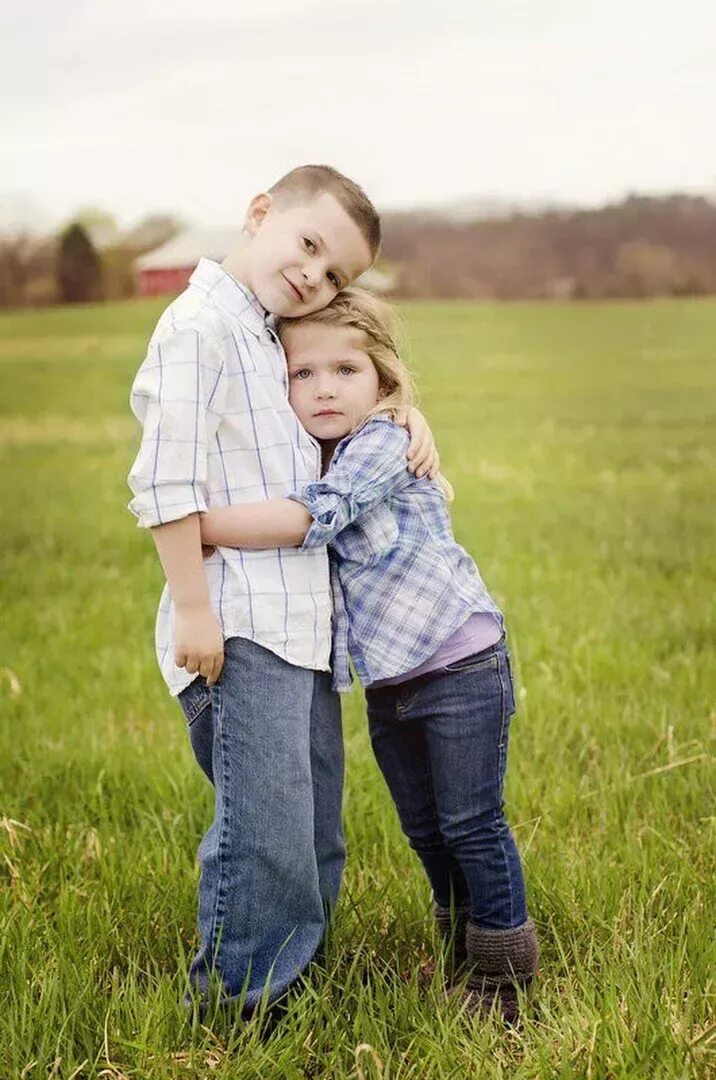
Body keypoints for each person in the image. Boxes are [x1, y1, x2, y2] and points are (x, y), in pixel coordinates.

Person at [126, 166, 438, 1017]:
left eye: (336, 272)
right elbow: (165, 483)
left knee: (313, 825)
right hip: (238, 621)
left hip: (304, 626)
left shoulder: (271, 334)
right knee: (264, 830)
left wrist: (406, 414)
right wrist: (194, 608)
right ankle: (239, 1002)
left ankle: (303, 968)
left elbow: (332, 411)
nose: (314, 275)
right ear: (259, 213)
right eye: (308, 244)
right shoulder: (198, 328)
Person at [198, 287, 539, 1023]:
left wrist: (194, 525)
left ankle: (504, 978)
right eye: (302, 374)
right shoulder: (320, 448)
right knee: (424, 827)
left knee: (472, 823)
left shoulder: (382, 443)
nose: (323, 387)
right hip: (392, 681)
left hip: (458, 664)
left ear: (383, 382)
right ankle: (462, 949)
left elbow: (320, 516)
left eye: (346, 370)